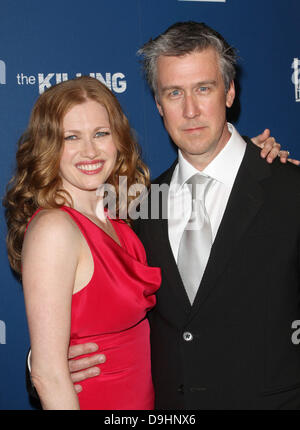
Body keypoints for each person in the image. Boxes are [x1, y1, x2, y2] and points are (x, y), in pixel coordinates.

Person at [66, 22, 300, 410]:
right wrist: (49, 363)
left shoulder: (290, 188)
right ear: (158, 104)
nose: (190, 110)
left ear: (230, 91)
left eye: (203, 89)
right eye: (174, 93)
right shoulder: (135, 206)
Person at [4, 76, 161, 409]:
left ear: (118, 139)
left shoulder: (119, 218)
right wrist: (42, 365)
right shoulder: (55, 230)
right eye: (71, 137)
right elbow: (48, 375)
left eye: (100, 134)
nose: (89, 151)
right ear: (49, 146)